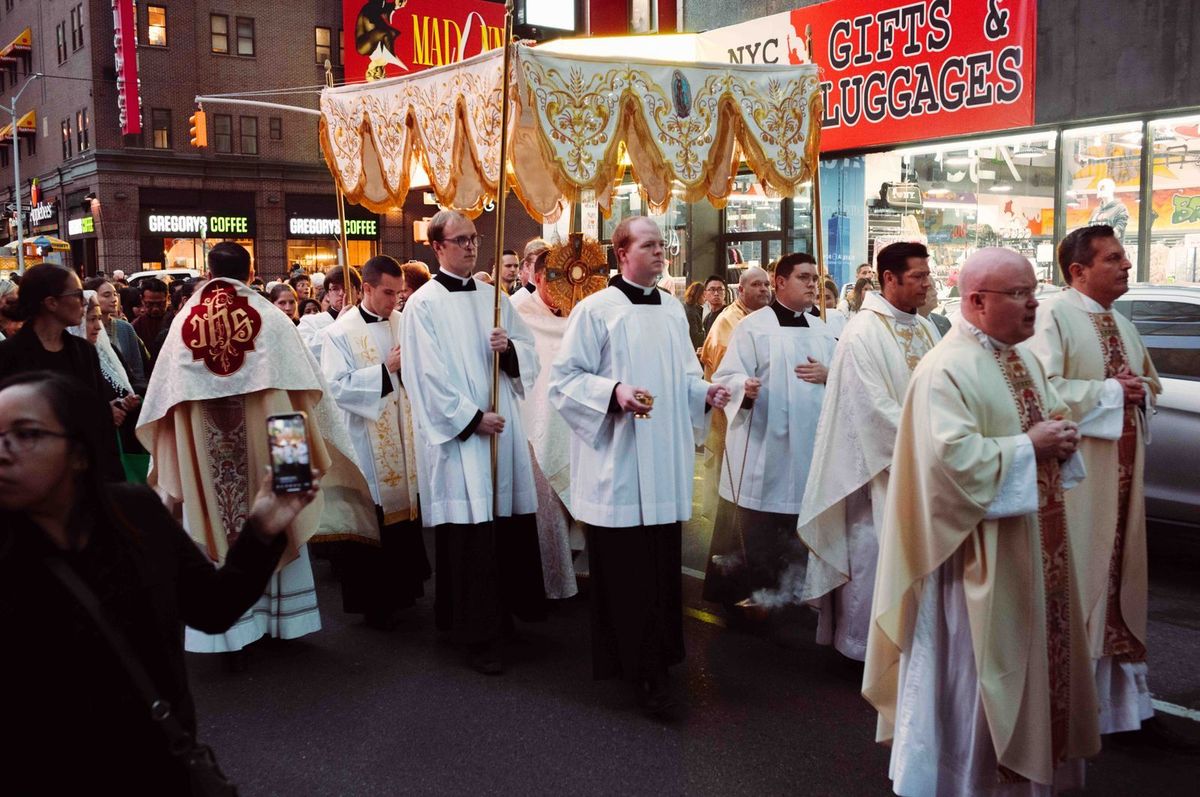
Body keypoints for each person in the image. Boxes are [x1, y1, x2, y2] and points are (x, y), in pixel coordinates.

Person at [0, 370, 319, 793]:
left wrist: (262, 526)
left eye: (25, 434)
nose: (3, 452)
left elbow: (212, 608)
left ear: (79, 450)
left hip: (160, 765)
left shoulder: (136, 515)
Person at [864, 247, 1100, 795]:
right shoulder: (945, 369)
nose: (1034, 304)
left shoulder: (1021, 359)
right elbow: (947, 466)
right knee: (974, 681)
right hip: (970, 563)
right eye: (1019, 294)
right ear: (975, 301)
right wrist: (1029, 446)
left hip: (1031, 547)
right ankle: (969, 783)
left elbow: (1045, 419)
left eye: (1033, 291)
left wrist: (1062, 436)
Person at [136, 242, 375, 662]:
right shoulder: (270, 317)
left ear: (209, 273)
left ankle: (229, 632)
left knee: (213, 518)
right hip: (273, 444)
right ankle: (282, 621)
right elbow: (302, 392)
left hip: (203, 455)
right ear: (250, 273)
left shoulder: (184, 322)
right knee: (278, 518)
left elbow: (164, 405)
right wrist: (295, 469)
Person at [549, 216, 730, 716]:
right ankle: (635, 668)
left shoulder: (672, 309)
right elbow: (565, 381)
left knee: (661, 570)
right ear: (622, 253)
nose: (660, 252)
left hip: (663, 460)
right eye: (649, 245)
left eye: (662, 244)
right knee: (627, 573)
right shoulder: (595, 310)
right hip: (620, 460)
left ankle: (661, 660)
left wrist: (705, 392)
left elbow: (685, 376)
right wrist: (614, 392)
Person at [1025, 224, 1164, 738]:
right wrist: (1111, 393)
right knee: (1081, 580)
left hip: (1122, 476)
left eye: (1124, 257)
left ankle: (1122, 710)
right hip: (1079, 482)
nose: (1126, 265)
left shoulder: (1120, 322)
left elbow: (1147, 385)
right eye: (1113, 258)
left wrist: (1135, 391)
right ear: (1078, 270)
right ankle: (1074, 704)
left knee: (1118, 578)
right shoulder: (1053, 315)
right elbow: (1040, 389)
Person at [401, 210, 546, 675]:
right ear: (437, 247)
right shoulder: (423, 305)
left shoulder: (495, 298)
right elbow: (425, 376)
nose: (470, 246)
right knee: (470, 537)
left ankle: (502, 618)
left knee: (502, 530)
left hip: (502, 428)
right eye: (460, 240)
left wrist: (511, 352)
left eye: (474, 238)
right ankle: (475, 632)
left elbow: (530, 354)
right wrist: (471, 419)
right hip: (461, 439)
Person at [797, 242, 939, 662]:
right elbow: (872, 409)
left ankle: (911, 648)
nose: (927, 284)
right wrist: (933, 442)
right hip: (877, 470)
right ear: (889, 278)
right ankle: (862, 650)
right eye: (918, 276)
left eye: (928, 275)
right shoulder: (862, 332)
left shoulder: (926, 328)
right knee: (872, 557)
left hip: (924, 464)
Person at [705, 253, 835, 615]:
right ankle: (751, 596)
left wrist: (830, 374)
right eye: (804, 278)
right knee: (760, 522)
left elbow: (844, 378)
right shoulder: (752, 327)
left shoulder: (823, 329)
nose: (813, 285)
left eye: (815, 278)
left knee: (802, 519)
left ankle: (798, 594)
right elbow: (724, 378)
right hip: (765, 444)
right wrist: (742, 388)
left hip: (809, 447)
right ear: (780, 282)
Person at [321, 255, 432, 629]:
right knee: (373, 516)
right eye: (388, 292)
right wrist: (386, 371)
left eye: (399, 293)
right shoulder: (340, 333)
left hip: (404, 432)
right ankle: (375, 603)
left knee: (404, 513)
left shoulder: (404, 323)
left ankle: (405, 590)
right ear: (366, 288)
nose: (395, 301)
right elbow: (335, 388)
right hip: (367, 439)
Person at [0, 264, 123, 481]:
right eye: (76, 294)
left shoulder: (83, 351)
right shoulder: (8, 355)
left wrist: (112, 481)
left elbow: (99, 421)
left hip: (82, 476)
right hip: (29, 476)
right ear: (51, 303)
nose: (83, 302)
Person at [514, 248, 581, 601]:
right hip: (536, 424)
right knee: (549, 508)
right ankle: (553, 582)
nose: (562, 289)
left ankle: (582, 571)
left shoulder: (581, 313)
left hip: (579, 423)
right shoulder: (518, 314)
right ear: (537, 278)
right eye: (554, 280)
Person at [698, 266, 771, 521]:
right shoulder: (728, 321)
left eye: (766, 284)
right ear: (740, 290)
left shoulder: (765, 317)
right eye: (756, 285)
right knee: (731, 478)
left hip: (760, 410)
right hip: (731, 413)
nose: (763, 289)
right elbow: (725, 372)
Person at [84, 276, 148, 393]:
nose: (114, 299)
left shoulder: (125, 328)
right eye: (106, 295)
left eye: (115, 294)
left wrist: (136, 393)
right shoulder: (82, 331)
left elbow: (137, 368)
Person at [298, 264, 362, 362]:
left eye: (347, 288)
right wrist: (337, 325)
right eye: (335, 288)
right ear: (328, 294)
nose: (341, 293)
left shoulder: (366, 320)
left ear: (358, 292)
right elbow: (305, 353)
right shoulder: (310, 322)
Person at [131, 277, 170, 354]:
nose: (155, 309)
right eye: (150, 304)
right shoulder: (136, 326)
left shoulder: (177, 321)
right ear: (142, 300)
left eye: (160, 304)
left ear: (168, 299)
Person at [682, 281, 705, 349]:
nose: (705, 298)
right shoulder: (691, 313)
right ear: (698, 295)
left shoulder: (687, 307)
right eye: (703, 295)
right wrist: (706, 333)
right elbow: (694, 337)